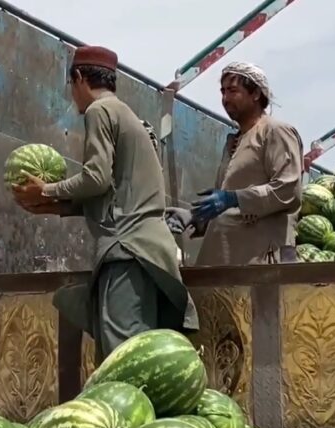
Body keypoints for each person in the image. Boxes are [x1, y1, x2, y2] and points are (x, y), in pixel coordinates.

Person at [12, 46, 198, 363]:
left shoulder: (100, 112)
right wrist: (57, 204)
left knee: (123, 358)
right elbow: (113, 194)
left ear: (79, 78)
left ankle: (124, 414)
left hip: (127, 251)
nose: (73, 97)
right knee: (143, 353)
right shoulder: (126, 115)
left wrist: (47, 190)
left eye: (71, 86)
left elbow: (95, 178)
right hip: (147, 251)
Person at [164, 62, 304, 266]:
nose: (225, 99)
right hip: (226, 258)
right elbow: (228, 209)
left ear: (255, 93)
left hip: (261, 259)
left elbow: (288, 190)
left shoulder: (276, 132)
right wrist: (195, 216)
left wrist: (233, 198)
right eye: (222, 92)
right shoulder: (234, 141)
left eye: (232, 91)